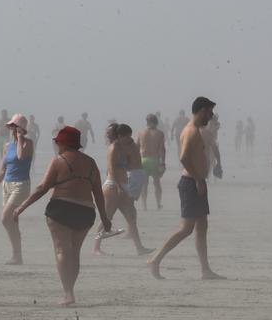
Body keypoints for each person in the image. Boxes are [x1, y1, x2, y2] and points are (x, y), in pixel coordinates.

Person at [12, 126, 110, 305]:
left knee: (62, 250)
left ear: (63, 143)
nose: (56, 144)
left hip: (61, 208)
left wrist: (21, 207)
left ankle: (68, 293)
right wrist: (105, 218)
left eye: (58, 141)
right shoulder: (91, 162)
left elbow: (42, 188)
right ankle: (70, 291)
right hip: (86, 211)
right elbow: (98, 192)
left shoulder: (58, 161)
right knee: (75, 252)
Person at [148, 97, 225, 280]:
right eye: (209, 112)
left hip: (196, 182)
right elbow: (183, 158)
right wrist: (198, 179)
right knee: (186, 228)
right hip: (191, 183)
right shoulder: (191, 131)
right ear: (200, 111)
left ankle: (205, 270)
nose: (211, 115)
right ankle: (155, 259)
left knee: (202, 227)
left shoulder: (198, 131)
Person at [92, 123, 153, 256]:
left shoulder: (122, 147)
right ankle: (96, 248)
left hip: (123, 186)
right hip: (113, 186)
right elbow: (111, 169)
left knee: (130, 217)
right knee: (107, 217)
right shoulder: (113, 148)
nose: (107, 136)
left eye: (109, 134)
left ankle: (139, 248)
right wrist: (120, 187)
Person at [0, 114, 33, 265]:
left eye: (15, 127)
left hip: (21, 185)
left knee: (5, 218)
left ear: (21, 129)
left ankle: (17, 253)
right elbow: (2, 170)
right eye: (12, 127)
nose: (12, 129)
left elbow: (20, 157)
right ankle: (17, 256)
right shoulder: (7, 146)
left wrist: (19, 138)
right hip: (7, 184)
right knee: (13, 221)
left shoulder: (28, 144)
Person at [137, 114, 166, 210]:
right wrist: (163, 162)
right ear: (156, 122)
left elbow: (136, 148)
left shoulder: (141, 133)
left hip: (143, 160)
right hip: (155, 160)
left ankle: (144, 205)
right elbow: (162, 149)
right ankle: (158, 204)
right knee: (157, 183)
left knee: (144, 184)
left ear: (147, 122)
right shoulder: (160, 133)